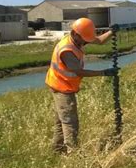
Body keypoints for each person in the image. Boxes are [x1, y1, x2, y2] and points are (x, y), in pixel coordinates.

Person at [45, 17, 119, 153]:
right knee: (70, 121)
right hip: (62, 87)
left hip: (61, 84)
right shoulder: (67, 50)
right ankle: (73, 153)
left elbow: (99, 41)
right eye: (84, 39)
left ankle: (57, 150)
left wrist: (111, 32)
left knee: (61, 120)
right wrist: (103, 72)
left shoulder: (78, 39)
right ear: (75, 34)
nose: (86, 42)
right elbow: (79, 72)